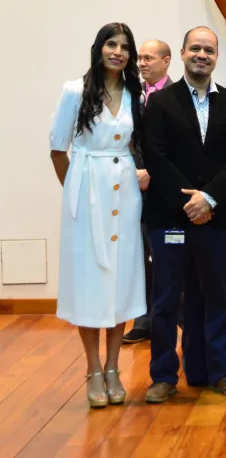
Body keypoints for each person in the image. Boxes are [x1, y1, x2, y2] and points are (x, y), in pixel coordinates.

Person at [142, 26, 226, 402]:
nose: (202, 55)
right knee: (165, 301)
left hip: (218, 218)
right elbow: (156, 156)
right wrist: (190, 203)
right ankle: (163, 376)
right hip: (170, 218)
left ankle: (222, 372)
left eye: (209, 50)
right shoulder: (160, 102)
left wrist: (209, 199)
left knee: (219, 298)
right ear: (183, 53)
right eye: (195, 49)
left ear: (216, 57)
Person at [49, 22, 147, 408]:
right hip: (87, 188)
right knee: (90, 279)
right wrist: (74, 190)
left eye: (124, 46)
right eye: (111, 44)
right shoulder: (75, 91)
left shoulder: (135, 92)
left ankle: (113, 366)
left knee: (121, 277)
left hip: (125, 190)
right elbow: (58, 149)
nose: (117, 52)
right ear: (99, 48)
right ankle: (92, 367)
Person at [123, 39, 173, 345]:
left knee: (166, 256)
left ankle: (177, 318)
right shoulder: (129, 95)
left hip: (166, 190)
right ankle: (143, 320)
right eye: (139, 58)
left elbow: (179, 144)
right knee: (138, 257)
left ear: (166, 61)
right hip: (131, 187)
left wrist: (152, 172)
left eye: (148, 58)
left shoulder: (179, 95)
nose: (141, 63)